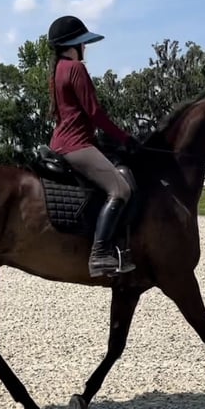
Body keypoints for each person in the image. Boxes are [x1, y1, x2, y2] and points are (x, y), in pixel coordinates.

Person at [47, 15, 138, 278]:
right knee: (120, 189)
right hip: (76, 144)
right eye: (82, 44)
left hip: (64, 140)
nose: (85, 49)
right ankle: (99, 254)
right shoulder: (75, 69)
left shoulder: (58, 70)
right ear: (73, 45)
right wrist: (125, 138)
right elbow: (95, 113)